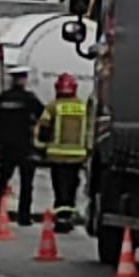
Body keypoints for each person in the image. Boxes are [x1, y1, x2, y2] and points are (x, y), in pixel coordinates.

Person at [0, 66, 44, 226]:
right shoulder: (29, 98)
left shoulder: (3, 98)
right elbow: (43, 115)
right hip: (24, 146)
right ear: (23, 80)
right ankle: (23, 216)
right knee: (26, 183)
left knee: (2, 181)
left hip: (6, 146)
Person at [36, 72, 89, 233]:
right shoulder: (82, 107)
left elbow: (44, 128)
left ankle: (61, 220)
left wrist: (41, 147)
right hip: (77, 156)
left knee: (60, 189)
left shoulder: (53, 106)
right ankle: (68, 216)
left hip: (57, 156)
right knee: (72, 187)